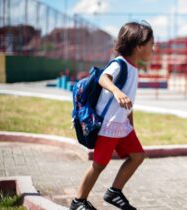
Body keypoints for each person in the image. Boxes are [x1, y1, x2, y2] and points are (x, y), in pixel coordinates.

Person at [69, 20, 154, 210]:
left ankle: (114, 192)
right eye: (151, 44)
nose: (153, 48)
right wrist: (116, 91)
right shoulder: (120, 64)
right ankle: (78, 202)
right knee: (99, 165)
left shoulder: (133, 68)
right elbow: (103, 78)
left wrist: (131, 123)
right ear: (139, 46)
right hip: (108, 126)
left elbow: (128, 101)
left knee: (137, 156)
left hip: (122, 126)